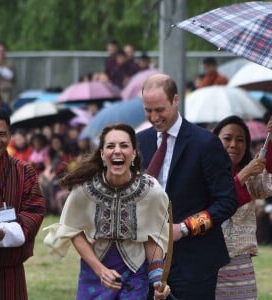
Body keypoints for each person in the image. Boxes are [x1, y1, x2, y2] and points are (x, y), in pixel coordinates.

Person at [136, 73, 238, 300]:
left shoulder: (205, 143)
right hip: (144, 258)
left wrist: (184, 228)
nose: (154, 117)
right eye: (148, 110)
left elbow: (226, 201)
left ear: (175, 100)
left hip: (195, 261)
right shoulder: (138, 142)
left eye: (160, 110)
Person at [44, 123, 171, 300]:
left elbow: (153, 237)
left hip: (135, 274)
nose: (117, 151)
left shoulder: (151, 191)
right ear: (103, 154)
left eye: (124, 145)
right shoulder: (84, 189)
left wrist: (157, 279)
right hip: (95, 273)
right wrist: (100, 269)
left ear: (133, 153)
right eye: (110, 146)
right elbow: (72, 230)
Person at [0, 105, 45, 299]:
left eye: (2, 134)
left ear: (9, 136)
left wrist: (4, 232)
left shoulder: (24, 172)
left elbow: (35, 212)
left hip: (9, 276)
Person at [212, 115, 272, 300]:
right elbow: (222, 203)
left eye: (240, 140)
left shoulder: (251, 177)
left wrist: (271, 141)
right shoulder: (203, 174)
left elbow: (267, 184)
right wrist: (244, 174)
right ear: (214, 142)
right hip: (209, 262)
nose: (233, 145)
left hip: (241, 265)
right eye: (227, 138)